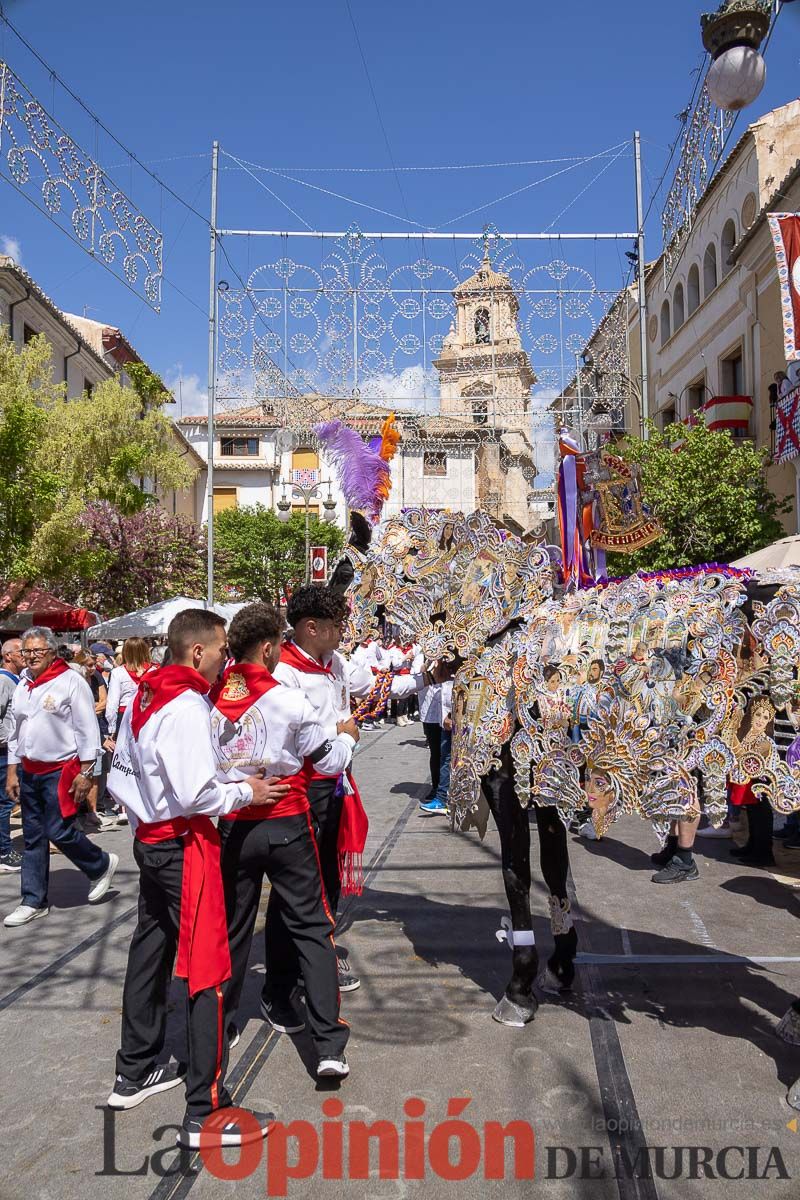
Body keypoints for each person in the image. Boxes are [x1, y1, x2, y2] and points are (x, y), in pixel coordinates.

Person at [106, 608, 285, 1150]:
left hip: (153, 839)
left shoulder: (147, 691)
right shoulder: (183, 703)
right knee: (206, 968)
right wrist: (243, 793)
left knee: (150, 949)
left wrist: (221, 779)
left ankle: (132, 1071)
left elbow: (134, 773)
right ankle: (204, 1110)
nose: (227, 661)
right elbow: (194, 794)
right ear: (199, 652)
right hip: (185, 845)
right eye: (223, 650)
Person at [211, 602, 357, 1078]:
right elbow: (329, 762)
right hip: (288, 820)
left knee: (232, 927)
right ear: (269, 647)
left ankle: (222, 1024)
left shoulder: (210, 697)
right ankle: (329, 1045)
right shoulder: (287, 699)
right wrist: (349, 737)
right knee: (313, 927)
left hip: (233, 822)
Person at [271, 584, 404, 993]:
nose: (343, 632)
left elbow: (379, 686)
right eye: (336, 625)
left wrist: (429, 676)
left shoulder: (337, 662)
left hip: (335, 783)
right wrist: (340, 732)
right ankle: (291, 968)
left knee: (326, 875)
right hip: (300, 791)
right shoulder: (283, 671)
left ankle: (316, 950)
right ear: (311, 628)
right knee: (296, 883)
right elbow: (291, 736)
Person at [3, 627, 118, 927]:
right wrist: (13, 770)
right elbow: (16, 732)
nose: (32, 657)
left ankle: (100, 863)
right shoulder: (23, 684)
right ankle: (33, 899)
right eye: (26, 652)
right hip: (29, 771)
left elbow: (87, 729)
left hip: (60, 770)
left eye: (38, 651)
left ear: (52, 652)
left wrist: (86, 772)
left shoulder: (70, 682)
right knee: (33, 837)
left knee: (59, 830)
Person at [0, 638, 23, 872]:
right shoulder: (3, 680)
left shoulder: (17, 680)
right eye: (20, 651)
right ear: (8, 656)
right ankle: (4, 852)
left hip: (13, 752)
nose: (25, 655)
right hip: (4, 753)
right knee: (4, 804)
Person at [105, 638, 153, 739]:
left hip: (125, 716)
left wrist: (112, 728)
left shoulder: (117, 673)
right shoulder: (153, 671)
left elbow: (112, 703)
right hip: (147, 715)